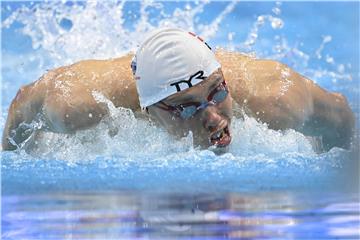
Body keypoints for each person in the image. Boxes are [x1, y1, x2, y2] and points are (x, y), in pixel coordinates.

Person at [2, 28, 355, 152]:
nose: (214, 118)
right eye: (187, 107)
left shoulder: (278, 97)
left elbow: (342, 122)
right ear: (148, 110)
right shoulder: (75, 104)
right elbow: (21, 107)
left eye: (217, 93)